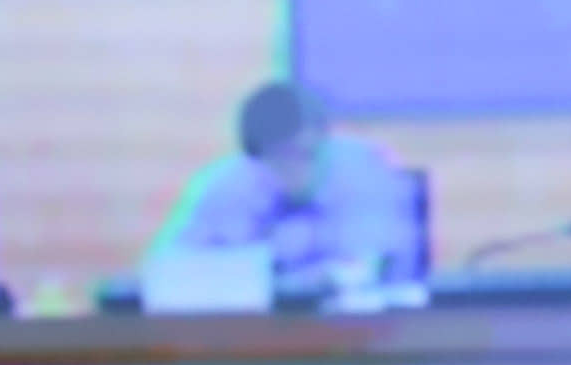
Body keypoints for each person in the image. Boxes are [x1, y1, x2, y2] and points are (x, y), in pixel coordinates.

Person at [149, 81, 420, 290]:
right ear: (254, 157)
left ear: (324, 141)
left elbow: (376, 266)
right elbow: (168, 271)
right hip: (253, 335)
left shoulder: (366, 172)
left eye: (304, 154)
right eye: (279, 157)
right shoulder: (226, 183)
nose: (293, 170)